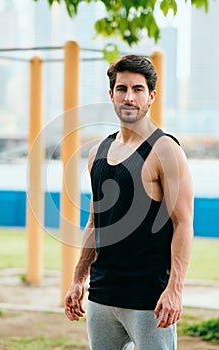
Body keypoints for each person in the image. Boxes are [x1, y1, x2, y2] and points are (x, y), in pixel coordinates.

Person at [64, 55, 194, 350]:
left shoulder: (165, 151)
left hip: (149, 300)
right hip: (102, 295)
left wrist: (175, 289)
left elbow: (183, 224)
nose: (129, 97)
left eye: (137, 89)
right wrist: (78, 279)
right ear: (111, 94)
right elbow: (96, 223)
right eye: (122, 89)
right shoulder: (97, 152)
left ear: (151, 96)